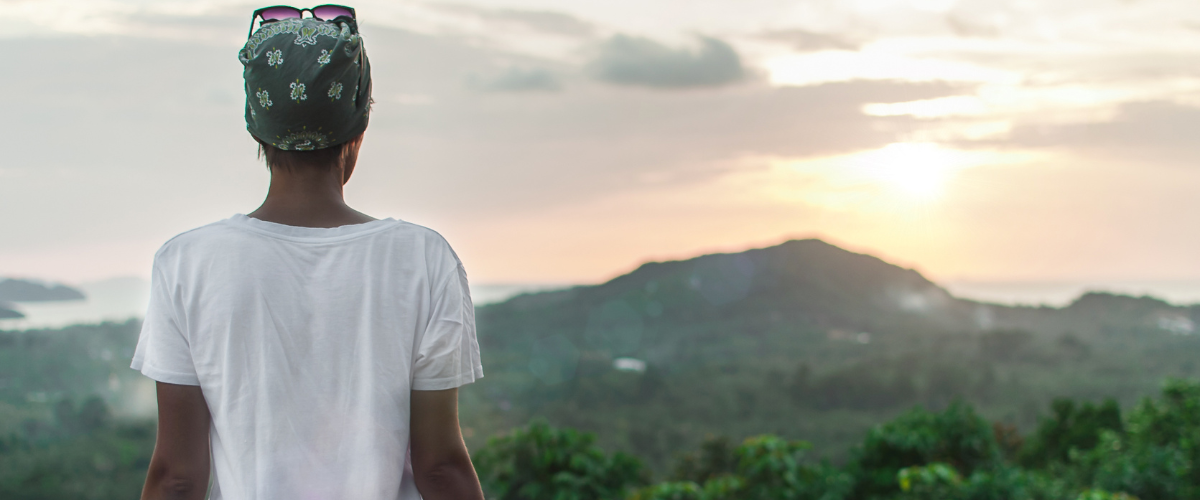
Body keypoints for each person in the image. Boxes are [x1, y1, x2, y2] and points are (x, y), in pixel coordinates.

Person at [130, 7, 485, 500]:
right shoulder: (424, 259)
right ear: (357, 130)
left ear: (257, 129)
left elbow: (178, 476)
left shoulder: (187, 263)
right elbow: (441, 467)